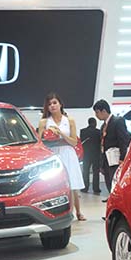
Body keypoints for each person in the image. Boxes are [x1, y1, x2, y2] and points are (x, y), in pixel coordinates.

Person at [37, 93, 86, 221]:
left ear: (60, 104)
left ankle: (78, 212)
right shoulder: (44, 122)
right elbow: (39, 141)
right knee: (53, 184)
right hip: (52, 153)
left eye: (54, 103)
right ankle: (56, 212)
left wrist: (61, 134)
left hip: (68, 153)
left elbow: (74, 142)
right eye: (49, 104)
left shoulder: (69, 120)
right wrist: (48, 134)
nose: (52, 106)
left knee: (72, 184)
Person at [93, 99, 130, 199]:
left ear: (104, 111)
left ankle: (118, 201)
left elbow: (123, 140)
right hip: (106, 159)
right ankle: (112, 200)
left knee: (116, 181)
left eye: (97, 112)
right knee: (108, 181)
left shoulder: (118, 121)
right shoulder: (103, 126)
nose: (96, 115)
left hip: (115, 158)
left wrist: (122, 158)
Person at [79, 117, 101, 194]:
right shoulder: (98, 132)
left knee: (85, 171)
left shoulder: (83, 131)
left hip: (86, 154)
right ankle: (96, 188)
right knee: (96, 172)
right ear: (95, 123)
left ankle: (85, 188)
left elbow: (81, 142)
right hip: (96, 154)